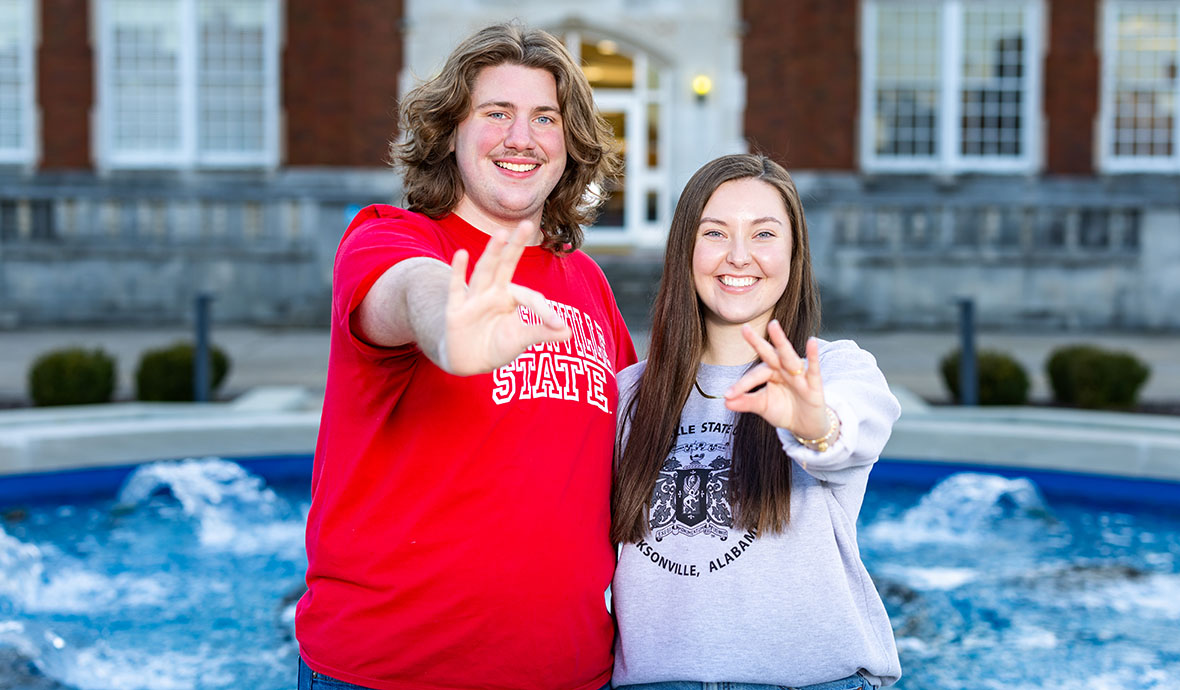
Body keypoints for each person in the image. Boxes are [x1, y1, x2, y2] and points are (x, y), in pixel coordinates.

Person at [295, 23, 636, 690]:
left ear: (570, 145)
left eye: (545, 117)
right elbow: (403, 295)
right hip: (386, 673)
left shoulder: (588, 284)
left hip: (569, 672)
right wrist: (445, 322)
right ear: (450, 131)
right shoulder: (390, 239)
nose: (521, 137)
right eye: (496, 113)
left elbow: (638, 449)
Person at [609, 154, 902, 689]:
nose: (739, 256)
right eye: (715, 233)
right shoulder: (629, 393)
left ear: (794, 252)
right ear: (684, 251)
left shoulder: (834, 370)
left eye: (764, 234)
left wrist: (812, 423)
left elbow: (848, 433)